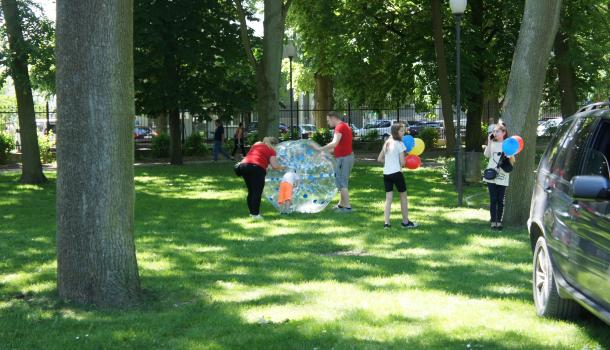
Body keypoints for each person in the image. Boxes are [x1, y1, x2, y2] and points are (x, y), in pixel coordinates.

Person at [377, 123, 417, 229]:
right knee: (403, 197)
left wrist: (390, 161)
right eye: (401, 131)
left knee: (388, 199)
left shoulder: (387, 143)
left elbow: (379, 159)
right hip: (397, 173)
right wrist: (406, 158)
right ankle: (405, 222)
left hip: (386, 174)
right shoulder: (400, 144)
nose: (403, 133)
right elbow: (403, 163)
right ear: (396, 132)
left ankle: (387, 223)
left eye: (404, 131)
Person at [237, 136, 284, 219]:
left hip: (243, 166)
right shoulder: (271, 150)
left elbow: (258, 157)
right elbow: (275, 166)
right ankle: (255, 214)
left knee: (251, 191)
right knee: (257, 192)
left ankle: (252, 213)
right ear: (274, 145)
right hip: (256, 168)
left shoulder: (257, 145)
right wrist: (284, 167)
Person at [316, 111, 354, 212]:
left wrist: (320, 149)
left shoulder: (340, 127)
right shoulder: (343, 126)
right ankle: (341, 204)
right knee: (339, 181)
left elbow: (334, 143)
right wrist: (324, 153)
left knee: (342, 183)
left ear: (333, 118)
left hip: (345, 158)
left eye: (328, 121)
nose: (328, 123)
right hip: (345, 157)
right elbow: (337, 147)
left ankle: (347, 207)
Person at [483, 120, 515, 230]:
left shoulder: (508, 144)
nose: (495, 133)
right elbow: (487, 155)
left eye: (497, 131)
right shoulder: (493, 143)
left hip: (502, 175)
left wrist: (508, 155)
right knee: (493, 199)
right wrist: (489, 142)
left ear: (504, 132)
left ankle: (499, 221)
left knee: (500, 200)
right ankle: (493, 221)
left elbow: (512, 160)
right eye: (494, 131)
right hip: (491, 174)